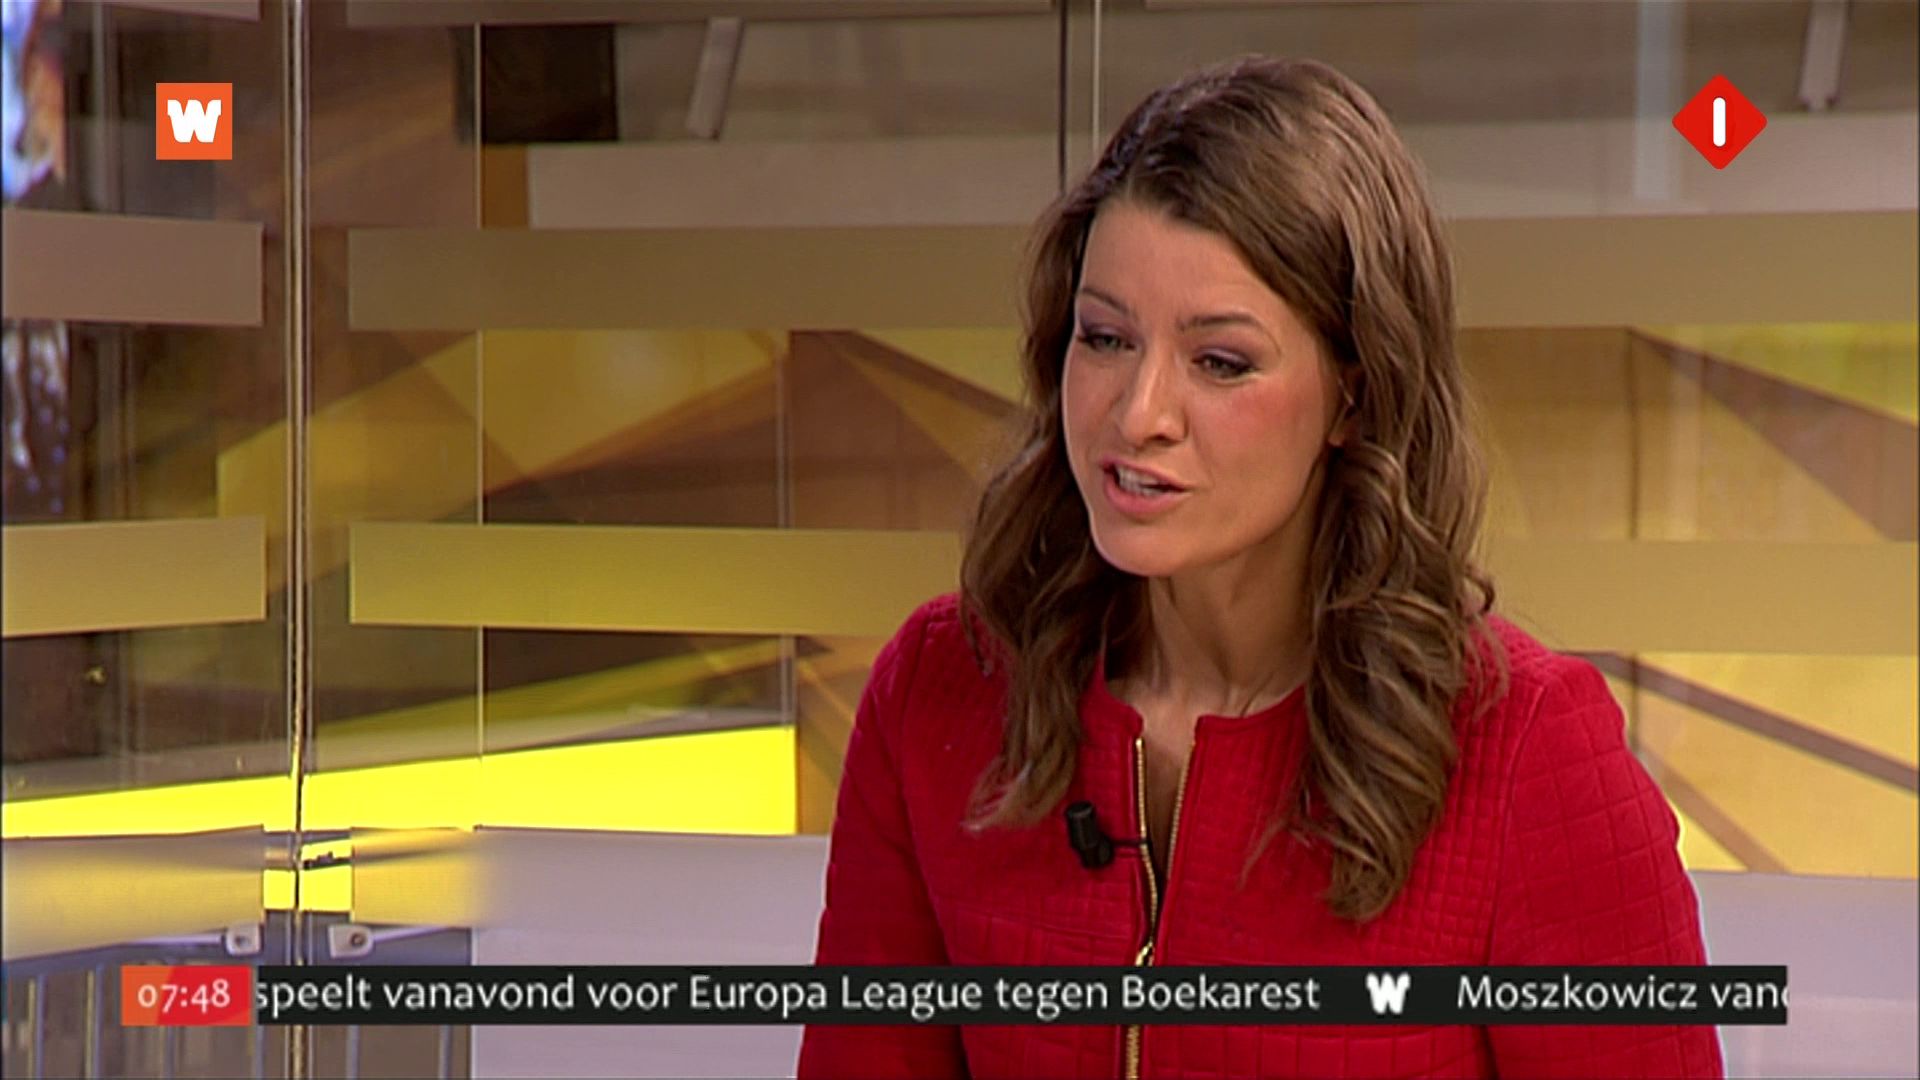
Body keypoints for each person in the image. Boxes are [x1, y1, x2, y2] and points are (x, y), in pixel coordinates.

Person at [798, 55, 1723, 1080]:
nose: (1138, 414)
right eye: (1104, 338)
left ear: (1355, 394)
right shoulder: (941, 691)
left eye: (1220, 362)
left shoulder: (1526, 755)